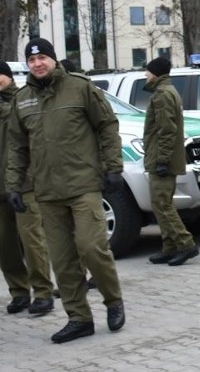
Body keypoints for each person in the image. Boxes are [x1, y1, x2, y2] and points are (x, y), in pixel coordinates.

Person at [5, 38, 125, 343]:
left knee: (91, 247)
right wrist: (13, 186)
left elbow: (107, 126)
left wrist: (113, 167)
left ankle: (113, 301)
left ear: (54, 59)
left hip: (83, 184)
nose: (37, 64)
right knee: (62, 259)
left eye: (42, 58)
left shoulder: (80, 87)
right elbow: (16, 148)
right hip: (46, 191)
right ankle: (79, 318)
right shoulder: (23, 99)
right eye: (32, 61)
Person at [0, 61, 54, 316]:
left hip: (24, 185)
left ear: (9, 77)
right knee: (6, 246)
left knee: (32, 242)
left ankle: (43, 292)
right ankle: (19, 292)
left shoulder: (23, 101)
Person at [143, 57, 199, 266]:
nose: (145, 75)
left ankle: (186, 244)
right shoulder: (165, 91)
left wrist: (162, 159)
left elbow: (167, 130)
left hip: (162, 158)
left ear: (156, 73)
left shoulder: (163, 94)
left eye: (148, 71)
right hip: (160, 157)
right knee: (160, 204)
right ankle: (169, 246)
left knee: (162, 204)